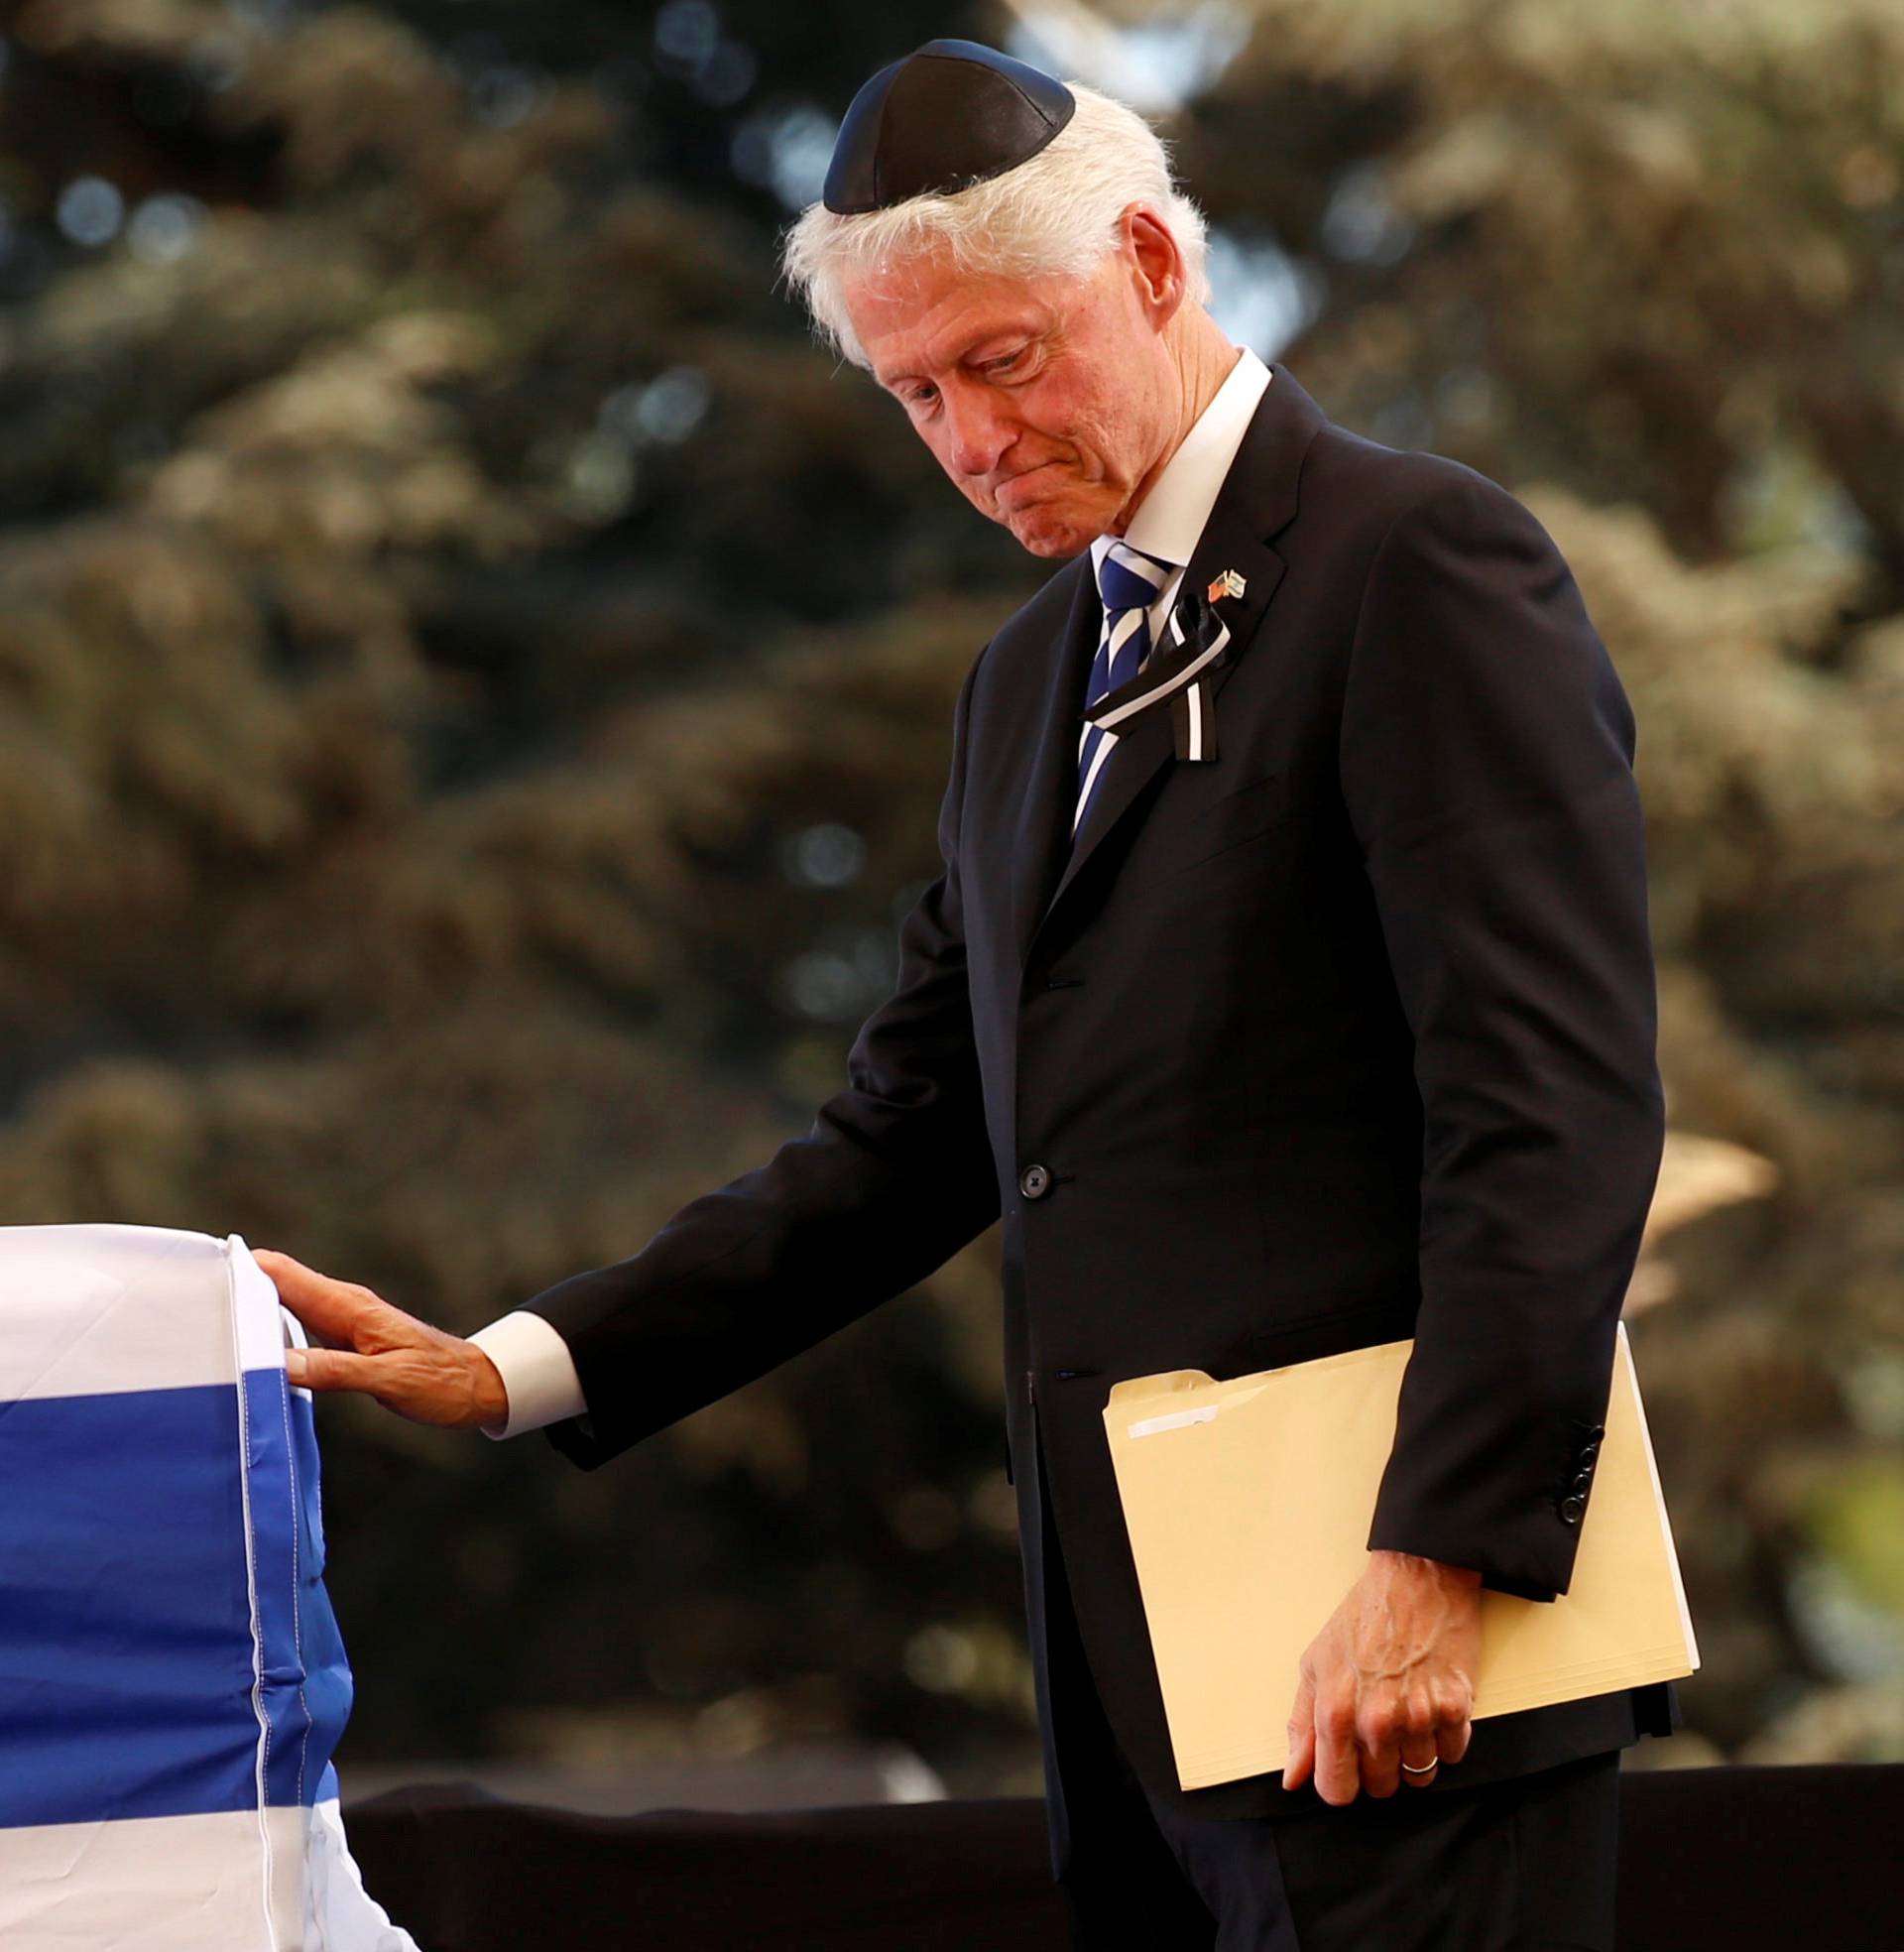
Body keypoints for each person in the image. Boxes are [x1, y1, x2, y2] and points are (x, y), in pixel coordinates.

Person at [263, 39, 1673, 1950]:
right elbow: (907, 1137)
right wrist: (518, 1363)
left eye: (1003, 361)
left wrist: (1438, 1559)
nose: (971, 442)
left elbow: (1550, 1110)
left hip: (1395, 1659)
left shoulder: (1419, 564)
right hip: (1138, 1687)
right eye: (915, 395)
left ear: (1157, 266)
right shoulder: (1026, 682)